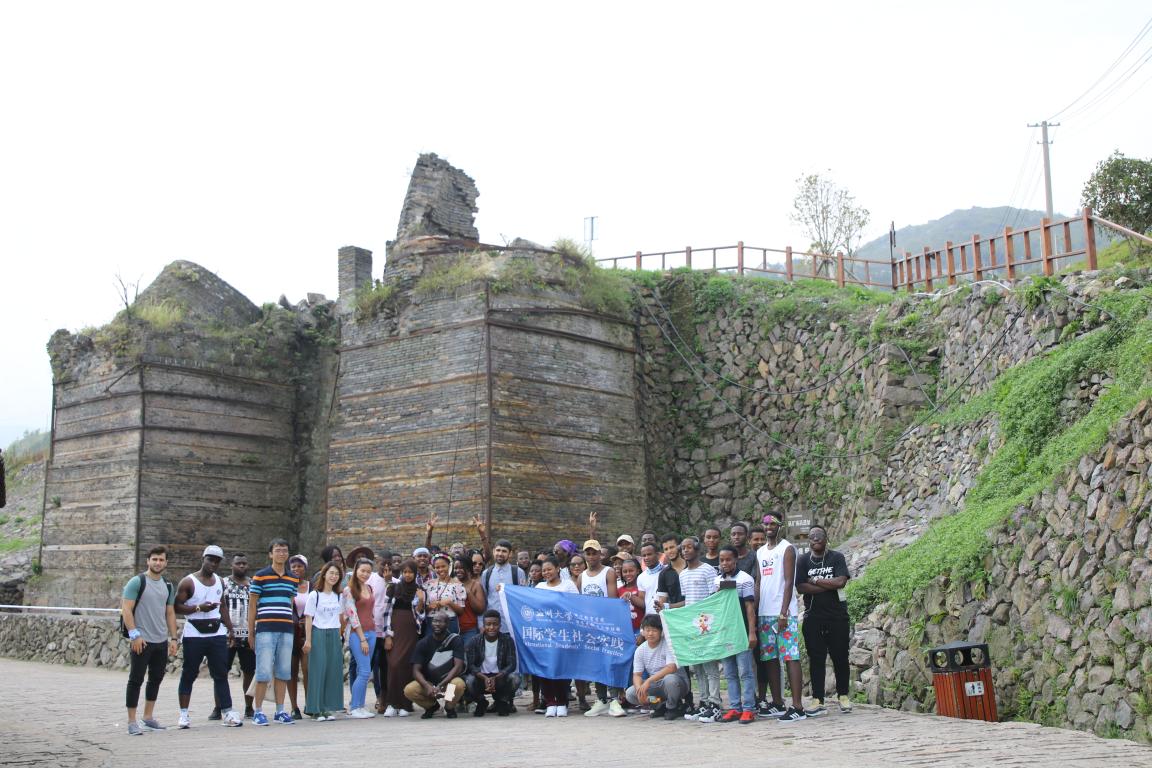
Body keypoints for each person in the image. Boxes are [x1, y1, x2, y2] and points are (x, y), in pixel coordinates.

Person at [175, 545, 242, 728]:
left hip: (216, 631)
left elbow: (223, 606)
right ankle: (184, 714)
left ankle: (227, 711)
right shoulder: (188, 582)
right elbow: (177, 606)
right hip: (194, 632)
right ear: (203, 559)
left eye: (217, 561)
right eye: (210, 559)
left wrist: (230, 629)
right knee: (189, 673)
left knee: (220, 673)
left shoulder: (220, 581)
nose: (213, 563)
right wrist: (198, 608)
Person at [122, 545, 178, 735]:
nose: (157, 563)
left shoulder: (168, 585)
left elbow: (170, 612)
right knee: (136, 679)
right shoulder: (137, 582)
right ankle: (132, 721)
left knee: (155, 679)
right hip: (142, 640)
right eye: (154, 559)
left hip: (160, 640)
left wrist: (173, 638)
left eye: (161, 559)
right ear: (148, 561)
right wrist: (134, 635)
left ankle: (148, 717)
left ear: (166, 562)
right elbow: (126, 609)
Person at [796, 525, 853, 715]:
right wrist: (828, 585)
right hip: (813, 617)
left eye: (819, 535)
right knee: (816, 659)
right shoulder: (803, 560)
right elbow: (801, 587)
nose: (815, 539)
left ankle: (843, 696)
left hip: (837, 616)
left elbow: (841, 582)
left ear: (826, 538)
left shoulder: (836, 557)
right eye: (812, 536)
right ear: (808, 541)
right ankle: (817, 699)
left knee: (840, 657)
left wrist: (814, 581)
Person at [756, 510, 806, 721]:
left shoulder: (787, 549)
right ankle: (777, 702)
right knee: (770, 658)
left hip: (783, 613)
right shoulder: (760, 552)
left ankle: (797, 706)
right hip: (764, 613)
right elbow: (759, 582)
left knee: (790, 656)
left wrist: (784, 612)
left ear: (780, 526)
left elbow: (788, 581)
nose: (769, 527)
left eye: (773, 524)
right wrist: (755, 610)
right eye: (766, 524)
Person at [247, 538, 301, 726]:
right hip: (265, 629)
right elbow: (252, 605)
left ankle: (280, 710)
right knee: (263, 671)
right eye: (277, 550)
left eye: (284, 550)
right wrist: (251, 631)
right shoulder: (260, 576)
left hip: (286, 629)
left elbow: (290, 603)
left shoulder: (292, 579)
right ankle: (258, 711)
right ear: (271, 554)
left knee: (283, 671)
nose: (281, 553)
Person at [671, 536, 720, 723]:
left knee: (710, 667)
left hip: (705, 625)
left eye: (689, 547)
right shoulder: (683, 574)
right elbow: (687, 601)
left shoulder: (707, 570)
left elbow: (714, 597)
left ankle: (715, 703)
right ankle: (704, 701)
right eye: (683, 548)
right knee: (697, 668)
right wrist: (669, 608)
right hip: (692, 627)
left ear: (697, 550)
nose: (685, 550)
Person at [715, 545, 759, 724]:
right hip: (725, 633)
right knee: (730, 673)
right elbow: (716, 607)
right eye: (722, 560)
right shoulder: (717, 581)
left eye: (728, 559)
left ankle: (749, 709)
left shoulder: (745, 579)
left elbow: (750, 607)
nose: (725, 563)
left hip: (741, 632)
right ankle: (735, 707)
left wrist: (751, 633)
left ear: (736, 560)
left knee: (745, 672)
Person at [213, 552, 255, 720]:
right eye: (238, 563)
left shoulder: (253, 584)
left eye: (244, 563)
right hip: (226, 635)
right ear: (232, 565)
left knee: (249, 672)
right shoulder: (223, 583)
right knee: (221, 672)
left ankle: (249, 707)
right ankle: (219, 707)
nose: (242, 566)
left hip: (247, 635)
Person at [534, 557, 578, 717]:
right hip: (544, 635)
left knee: (562, 668)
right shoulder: (539, 587)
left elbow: (577, 606)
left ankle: (562, 702)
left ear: (558, 568)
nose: (546, 573)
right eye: (543, 570)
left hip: (564, 634)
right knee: (545, 668)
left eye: (549, 569)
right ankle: (550, 702)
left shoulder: (568, 585)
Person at [382, 559, 425, 717]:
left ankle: (405, 704)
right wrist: (387, 635)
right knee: (393, 665)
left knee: (406, 667)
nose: (407, 575)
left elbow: (420, 616)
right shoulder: (393, 588)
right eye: (405, 572)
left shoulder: (419, 589)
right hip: (395, 631)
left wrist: (421, 601)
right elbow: (386, 612)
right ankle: (392, 703)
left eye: (410, 572)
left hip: (411, 632)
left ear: (415, 573)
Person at [302, 560, 344, 721]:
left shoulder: (338, 596)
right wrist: (308, 640)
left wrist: (340, 635)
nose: (334, 576)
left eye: (337, 574)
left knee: (332, 671)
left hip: (334, 634)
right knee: (317, 671)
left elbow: (340, 617)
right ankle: (315, 709)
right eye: (331, 573)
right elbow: (308, 618)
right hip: (318, 632)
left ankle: (327, 708)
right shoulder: (315, 595)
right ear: (324, 574)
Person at [405, 610, 466, 718]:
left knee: (458, 684)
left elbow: (458, 667)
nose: (437, 624)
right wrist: (426, 686)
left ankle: (449, 706)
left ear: (447, 624)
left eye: (440, 621)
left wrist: (441, 685)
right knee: (409, 690)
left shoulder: (456, 640)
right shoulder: (423, 643)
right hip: (429, 684)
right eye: (434, 621)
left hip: (448, 682)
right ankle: (432, 706)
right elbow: (415, 670)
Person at [625, 615, 686, 720]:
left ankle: (672, 707)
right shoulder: (640, 650)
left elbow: (671, 668)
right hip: (656, 685)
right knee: (631, 693)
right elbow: (637, 675)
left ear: (661, 631)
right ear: (643, 632)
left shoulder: (668, 644)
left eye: (654, 630)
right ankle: (659, 704)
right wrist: (639, 690)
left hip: (676, 683)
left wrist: (648, 681)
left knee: (670, 679)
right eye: (647, 630)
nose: (650, 633)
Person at [465, 609, 520, 716]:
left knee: (515, 679)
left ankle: (502, 701)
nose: (491, 627)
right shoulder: (474, 641)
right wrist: (485, 678)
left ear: (500, 625)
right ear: (483, 625)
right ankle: (481, 702)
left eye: (495, 624)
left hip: (500, 677)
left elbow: (511, 665)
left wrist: (496, 677)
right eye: (488, 624)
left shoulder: (507, 640)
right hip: (481, 678)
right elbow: (470, 665)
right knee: (469, 680)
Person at [342, 557, 378, 718]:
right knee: (364, 671)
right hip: (357, 634)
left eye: (368, 571)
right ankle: (355, 707)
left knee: (362, 670)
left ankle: (361, 705)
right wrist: (362, 638)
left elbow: (371, 611)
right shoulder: (349, 590)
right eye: (362, 570)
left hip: (372, 632)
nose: (365, 574)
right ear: (356, 570)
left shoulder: (369, 587)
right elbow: (352, 616)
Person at [480, 538, 526, 634]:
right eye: (498, 550)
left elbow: (522, 599)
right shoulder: (486, 574)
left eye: (504, 551)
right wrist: (481, 624)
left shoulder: (518, 572)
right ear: (493, 551)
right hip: (491, 627)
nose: (500, 554)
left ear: (510, 554)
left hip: (512, 626)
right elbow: (483, 601)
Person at [372, 554, 395, 713]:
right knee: (375, 665)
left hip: (388, 630)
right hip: (372, 629)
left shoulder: (396, 582)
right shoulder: (370, 580)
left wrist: (389, 582)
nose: (386, 567)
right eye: (383, 564)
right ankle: (379, 696)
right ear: (377, 563)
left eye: (389, 564)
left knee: (386, 666)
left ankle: (387, 698)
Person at [287, 554, 310, 720]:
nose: (296, 569)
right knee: (291, 670)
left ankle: (310, 703)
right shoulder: (286, 586)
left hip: (307, 632)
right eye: (293, 566)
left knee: (308, 669)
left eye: (299, 566)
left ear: (305, 568)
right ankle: (294, 706)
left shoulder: (312, 587)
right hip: (290, 631)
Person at [425, 552, 466, 634]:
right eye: (437, 567)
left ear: (449, 566)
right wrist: (430, 606)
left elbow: (461, 612)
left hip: (450, 621)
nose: (440, 570)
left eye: (443, 566)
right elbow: (423, 610)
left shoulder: (458, 585)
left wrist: (449, 602)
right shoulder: (428, 585)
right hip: (432, 621)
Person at [454, 556, 486, 646]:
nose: (458, 570)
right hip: (452, 629)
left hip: (469, 630)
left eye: (461, 568)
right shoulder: (451, 583)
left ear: (468, 569)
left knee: (469, 654)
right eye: (456, 568)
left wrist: (468, 592)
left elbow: (480, 609)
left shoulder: (476, 585)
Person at [635, 542, 665, 616]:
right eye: (644, 555)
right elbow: (643, 602)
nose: (646, 558)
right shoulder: (641, 577)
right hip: (650, 618)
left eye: (649, 554)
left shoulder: (668, 571)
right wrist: (630, 596)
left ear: (657, 555)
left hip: (666, 616)